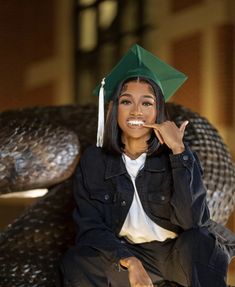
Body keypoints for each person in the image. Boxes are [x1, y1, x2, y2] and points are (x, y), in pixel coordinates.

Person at [60, 44, 232, 287]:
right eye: (126, 101)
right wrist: (129, 261)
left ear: (158, 111)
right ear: (114, 109)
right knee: (77, 260)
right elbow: (90, 227)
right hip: (131, 253)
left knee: (201, 241)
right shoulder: (94, 161)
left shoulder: (177, 156)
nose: (137, 111)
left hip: (178, 253)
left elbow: (193, 222)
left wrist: (178, 152)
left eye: (147, 103)